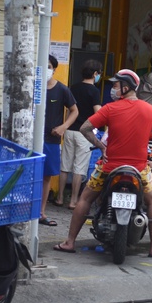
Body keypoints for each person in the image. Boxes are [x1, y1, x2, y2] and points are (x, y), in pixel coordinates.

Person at [53, 69, 152, 258]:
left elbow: (85, 128)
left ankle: (70, 242)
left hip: (109, 168)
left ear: (126, 87)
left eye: (116, 85)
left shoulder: (110, 108)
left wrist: (101, 146)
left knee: (84, 199)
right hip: (140, 169)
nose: (113, 89)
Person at [56, 59, 103, 210]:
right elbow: (98, 113)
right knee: (79, 168)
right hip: (84, 133)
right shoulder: (94, 91)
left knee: (65, 166)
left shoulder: (74, 88)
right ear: (95, 74)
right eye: (99, 74)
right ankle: (73, 201)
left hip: (69, 130)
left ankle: (60, 197)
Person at [41, 54, 79, 227]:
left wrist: (64, 127)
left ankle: (41, 212)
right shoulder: (33, 87)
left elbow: (74, 111)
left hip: (51, 140)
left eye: (49, 66)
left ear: (54, 69)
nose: (46, 69)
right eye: (43, 66)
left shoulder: (62, 90)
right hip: (32, 139)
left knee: (46, 177)